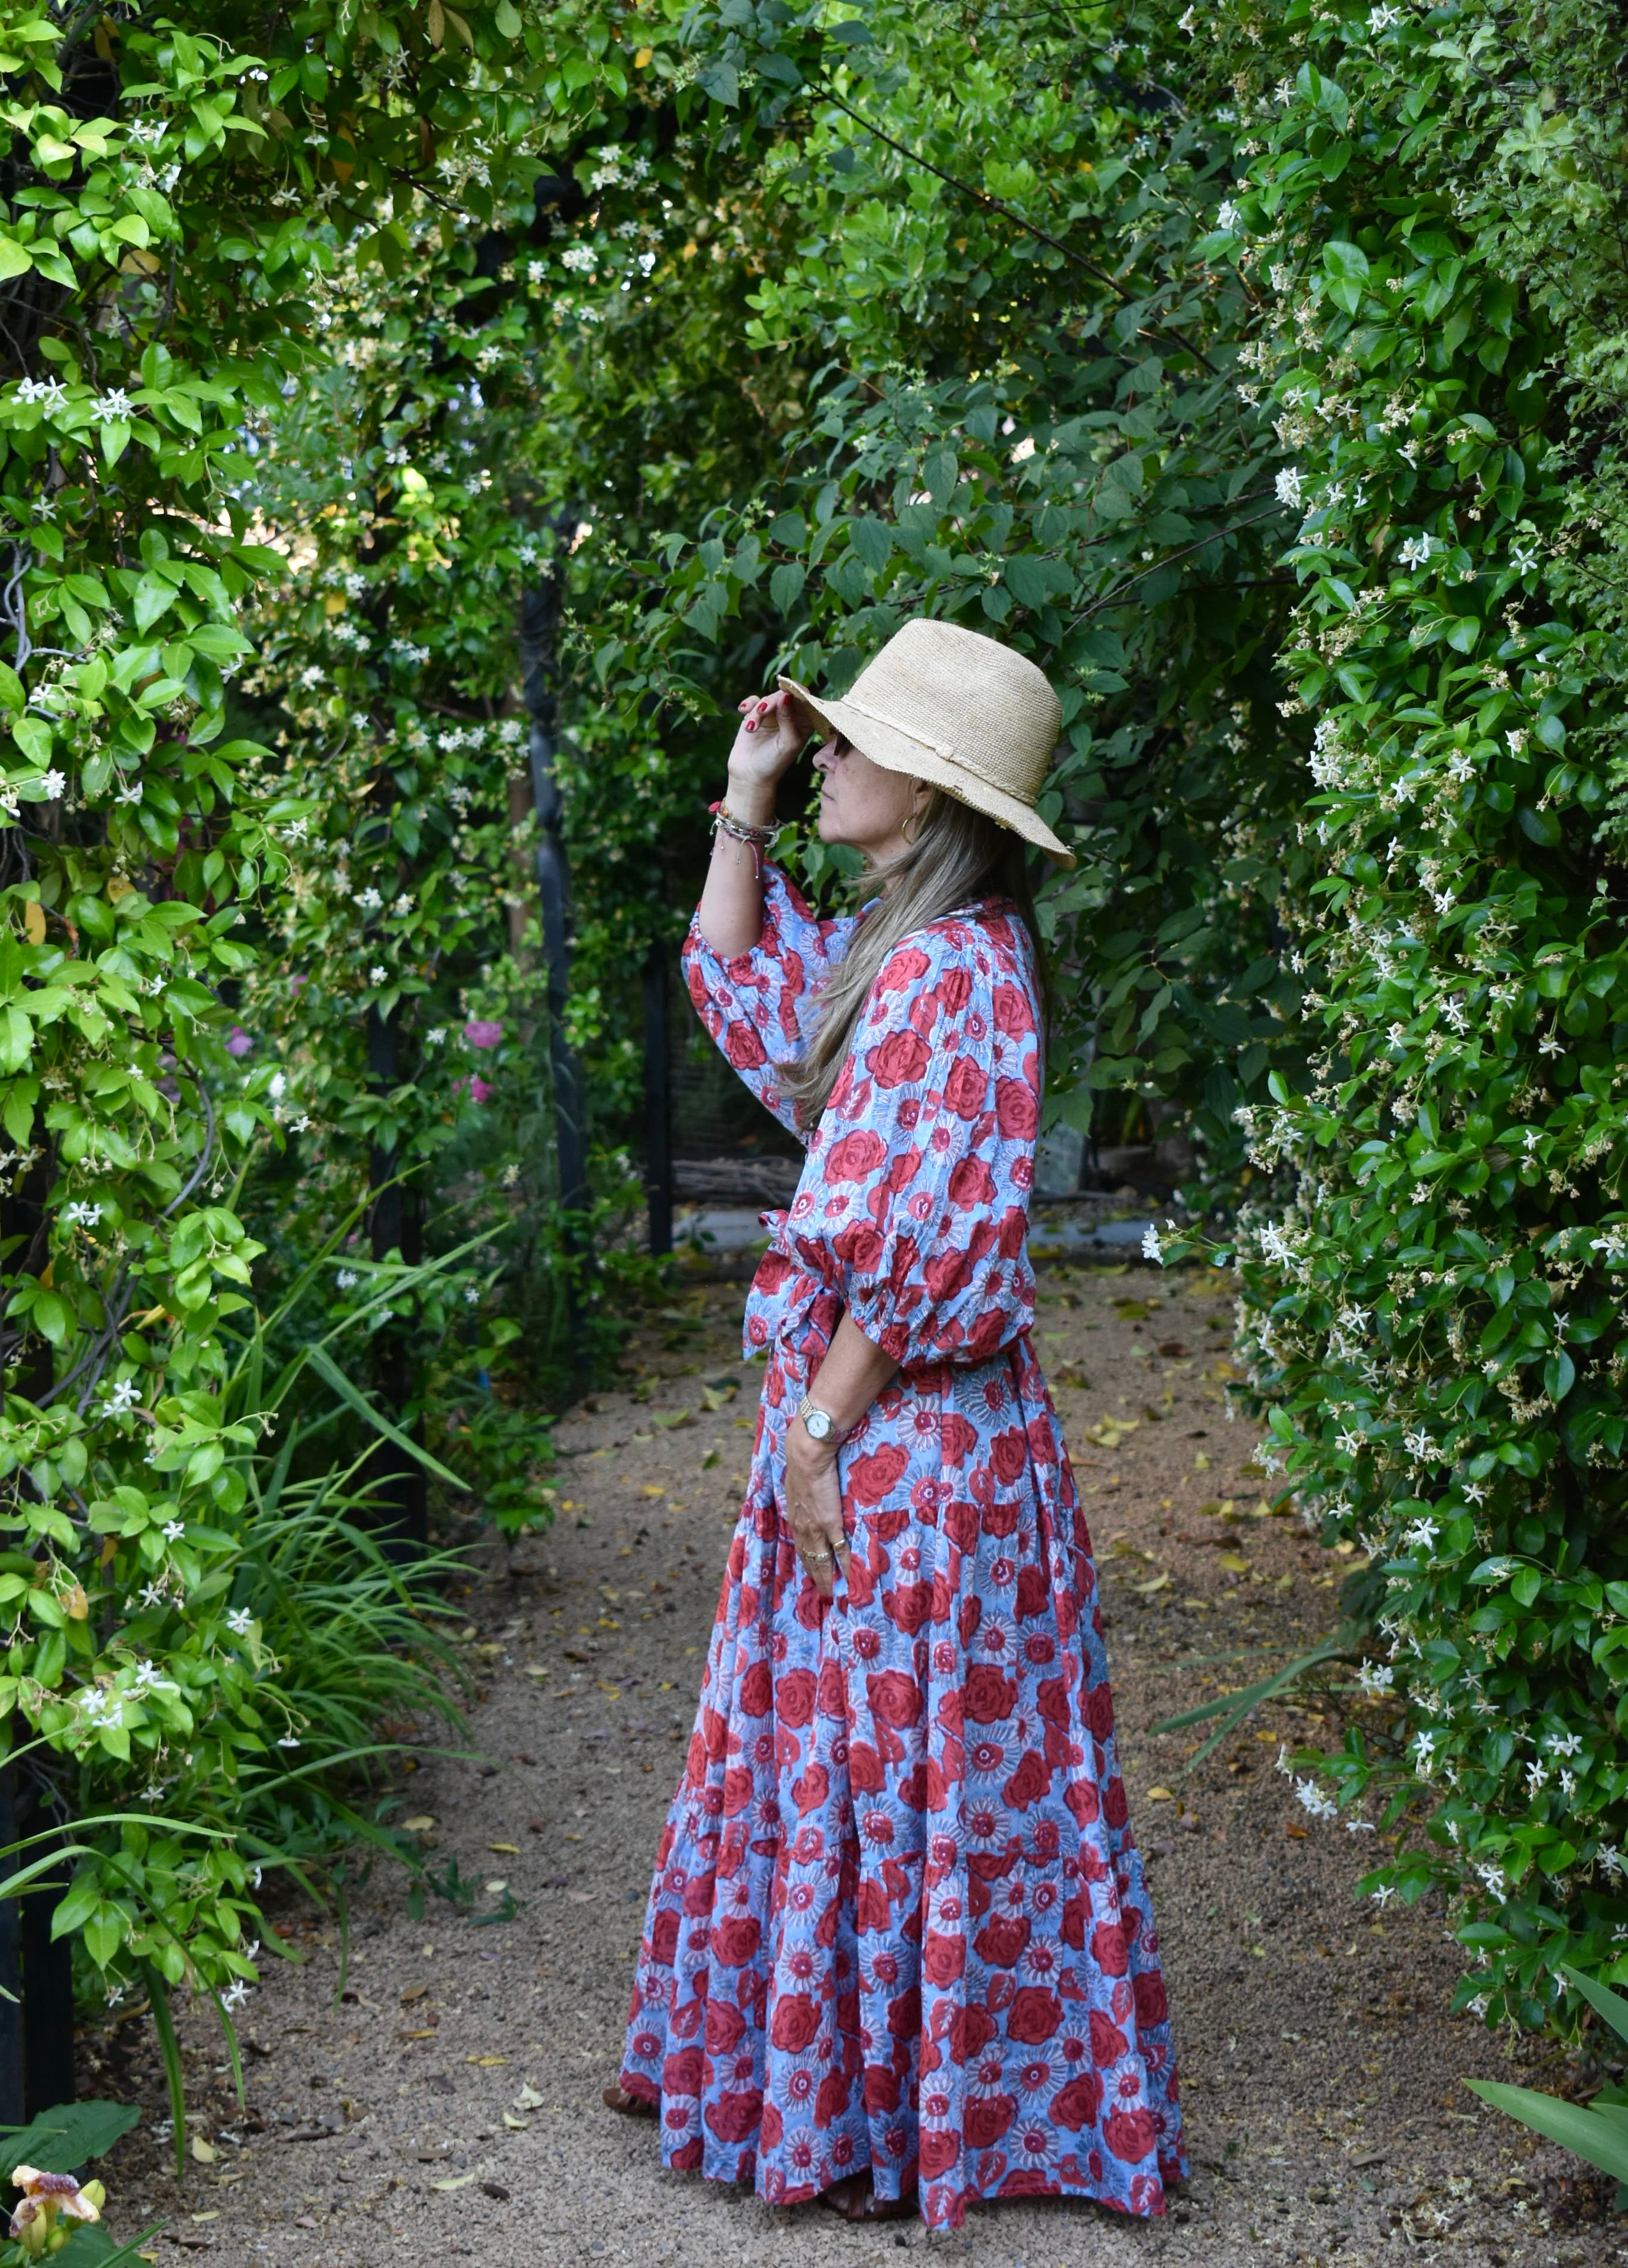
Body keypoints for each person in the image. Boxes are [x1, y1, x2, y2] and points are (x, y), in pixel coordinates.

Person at [605, 619, 1184, 2230]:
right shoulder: (910, 955)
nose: (830, 757)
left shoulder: (949, 969)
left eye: (855, 746)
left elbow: (925, 1247)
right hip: (920, 1438)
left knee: (884, 1770)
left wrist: (816, 1430)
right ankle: (874, 2105)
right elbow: (736, 976)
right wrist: (748, 787)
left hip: (908, 1441)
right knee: (879, 1771)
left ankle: (880, 2126)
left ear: (930, 800)